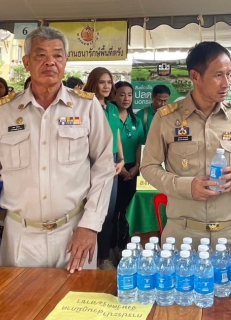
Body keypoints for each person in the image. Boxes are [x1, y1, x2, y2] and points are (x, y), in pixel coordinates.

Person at [0, 26, 115, 274]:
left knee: (76, 309)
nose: (50, 62)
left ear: (66, 61)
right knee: (20, 310)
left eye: (57, 55)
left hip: (75, 234)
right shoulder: (2, 113)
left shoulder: (86, 108)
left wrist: (90, 225)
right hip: (20, 238)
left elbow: (104, 167)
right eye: (40, 55)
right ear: (26, 62)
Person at [140, 41, 231, 248]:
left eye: (228, 74)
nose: (226, 83)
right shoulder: (166, 118)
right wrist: (187, 187)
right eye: (218, 75)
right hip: (182, 235)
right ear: (195, 76)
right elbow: (148, 167)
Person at [85, 67, 125, 270]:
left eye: (109, 82)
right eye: (102, 82)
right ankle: (88, 257)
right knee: (92, 211)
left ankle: (102, 257)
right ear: (93, 83)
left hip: (114, 162)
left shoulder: (113, 108)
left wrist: (122, 159)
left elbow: (115, 135)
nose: (107, 86)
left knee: (108, 213)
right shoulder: (86, 106)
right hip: (92, 163)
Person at [112, 81, 145, 252]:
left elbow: (140, 144)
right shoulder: (110, 117)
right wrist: (119, 165)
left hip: (133, 168)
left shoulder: (136, 120)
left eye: (130, 95)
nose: (126, 98)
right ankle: (110, 246)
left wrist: (137, 166)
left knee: (128, 209)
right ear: (114, 95)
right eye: (122, 94)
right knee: (113, 210)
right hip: (114, 167)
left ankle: (125, 244)